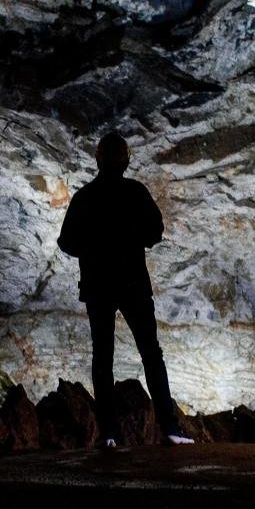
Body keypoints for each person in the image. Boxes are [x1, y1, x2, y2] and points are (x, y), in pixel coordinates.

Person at [57, 132, 193, 448]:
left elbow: (66, 242)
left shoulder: (85, 197)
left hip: (98, 285)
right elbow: (154, 232)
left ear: (98, 159)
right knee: (150, 352)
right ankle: (169, 426)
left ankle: (109, 433)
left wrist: (92, 249)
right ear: (127, 161)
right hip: (133, 283)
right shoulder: (135, 192)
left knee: (102, 357)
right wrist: (128, 237)